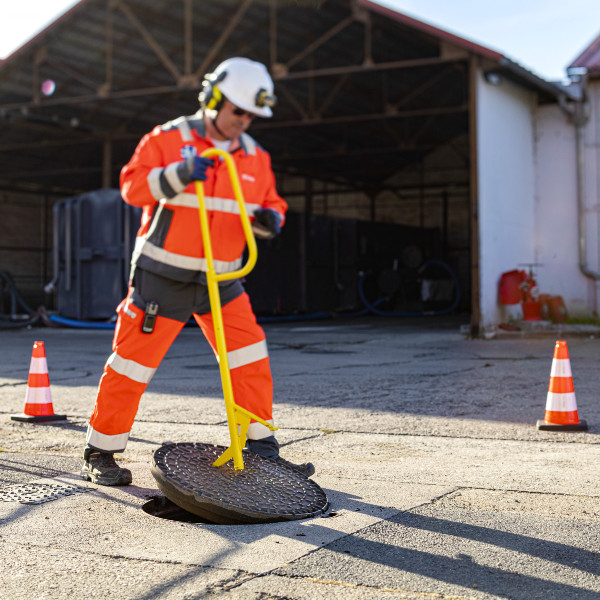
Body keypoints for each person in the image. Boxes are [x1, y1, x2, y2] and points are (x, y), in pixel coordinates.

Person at [81, 57, 314, 486]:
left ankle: (260, 448)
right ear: (213, 99)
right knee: (132, 365)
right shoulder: (168, 139)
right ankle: (102, 451)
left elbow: (273, 202)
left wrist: (273, 218)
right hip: (163, 277)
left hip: (223, 280)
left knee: (250, 356)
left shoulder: (255, 157)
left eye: (251, 115)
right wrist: (178, 174)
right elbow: (132, 187)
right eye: (237, 111)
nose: (243, 121)